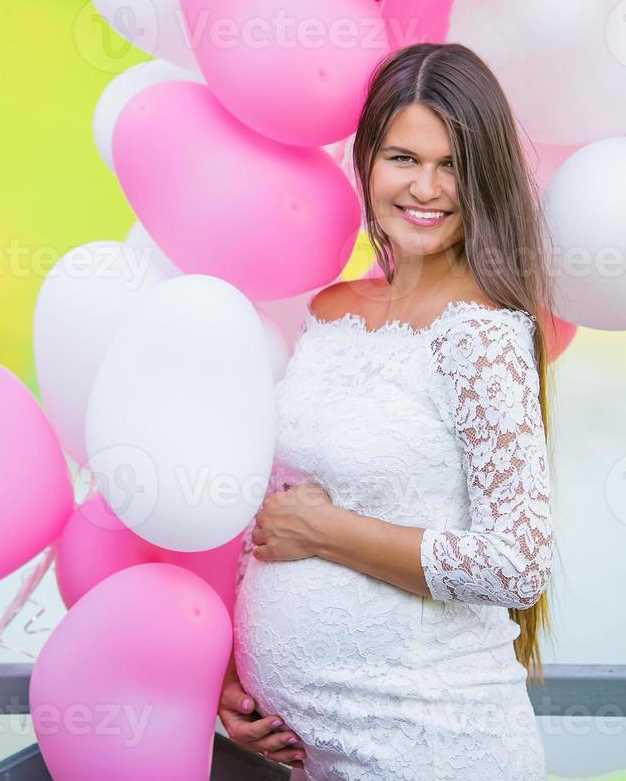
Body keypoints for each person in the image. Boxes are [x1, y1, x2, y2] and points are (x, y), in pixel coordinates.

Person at [218, 42, 557, 780]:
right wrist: (231, 675)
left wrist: (331, 534)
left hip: (431, 747)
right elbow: (273, 499)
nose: (427, 188)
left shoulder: (481, 336)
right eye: (403, 158)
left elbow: (518, 564)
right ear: (367, 160)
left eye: (452, 163)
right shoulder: (331, 311)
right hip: (311, 757)